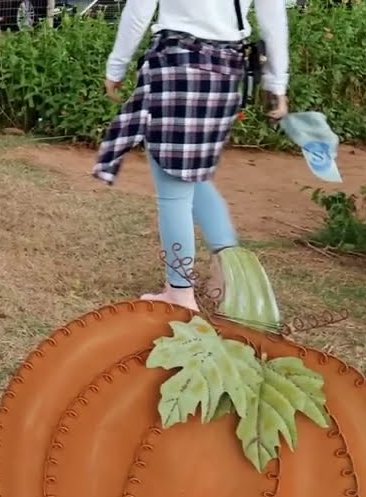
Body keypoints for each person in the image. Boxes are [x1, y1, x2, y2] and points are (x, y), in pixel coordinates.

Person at [93, 0, 291, 311]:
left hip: (177, 61)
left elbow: (139, 9)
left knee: (173, 186)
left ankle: (180, 293)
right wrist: (277, 83)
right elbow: (273, 18)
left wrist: (116, 66)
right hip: (227, 69)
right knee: (194, 174)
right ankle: (229, 270)